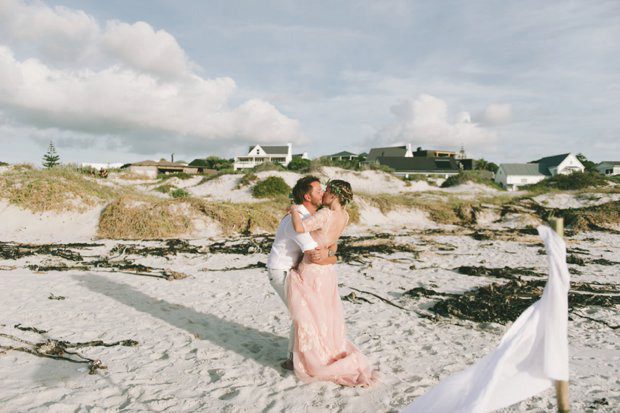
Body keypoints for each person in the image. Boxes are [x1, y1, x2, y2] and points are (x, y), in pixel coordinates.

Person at [287, 179, 376, 386]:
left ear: (334, 195)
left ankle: (313, 357)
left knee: (310, 315)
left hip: (312, 269)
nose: (323, 194)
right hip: (327, 270)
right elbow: (333, 245)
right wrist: (327, 252)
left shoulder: (325, 214)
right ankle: (326, 350)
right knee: (325, 314)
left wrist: (293, 209)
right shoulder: (344, 216)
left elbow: (300, 228)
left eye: (326, 191)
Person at [266, 176, 336, 370]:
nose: (322, 193)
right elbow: (313, 252)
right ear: (307, 196)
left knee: (302, 314)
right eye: (318, 191)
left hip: (293, 271)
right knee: (302, 315)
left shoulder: (305, 217)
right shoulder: (295, 219)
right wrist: (333, 254)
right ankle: (293, 360)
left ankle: (293, 358)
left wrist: (329, 251)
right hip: (281, 272)